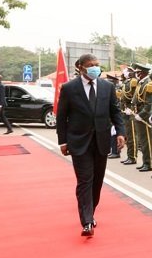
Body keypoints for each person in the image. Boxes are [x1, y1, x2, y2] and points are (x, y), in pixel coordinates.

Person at [56, 53, 126, 236]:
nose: (95, 67)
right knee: (85, 180)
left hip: (102, 141)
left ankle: (91, 212)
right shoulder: (69, 88)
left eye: (97, 64)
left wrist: (120, 132)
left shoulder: (107, 87)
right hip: (79, 142)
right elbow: (62, 117)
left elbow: (115, 112)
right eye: (91, 65)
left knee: (97, 182)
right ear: (80, 67)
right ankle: (86, 221)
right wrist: (62, 141)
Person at [132, 64, 152, 172]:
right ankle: (145, 162)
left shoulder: (148, 83)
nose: (137, 74)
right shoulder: (141, 83)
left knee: (146, 141)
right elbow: (136, 99)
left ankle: (148, 163)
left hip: (144, 116)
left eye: (138, 72)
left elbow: (149, 103)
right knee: (142, 140)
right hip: (139, 113)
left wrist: (141, 115)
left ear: (143, 73)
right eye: (136, 73)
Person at [119, 66, 138, 165]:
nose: (125, 73)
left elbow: (136, 96)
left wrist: (131, 108)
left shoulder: (134, 81)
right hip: (125, 110)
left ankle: (133, 157)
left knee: (132, 136)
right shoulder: (127, 82)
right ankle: (129, 156)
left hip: (130, 111)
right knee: (128, 135)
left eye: (127, 71)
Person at [106, 74, 122, 159]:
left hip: (115, 114)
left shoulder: (116, 89)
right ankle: (113, 151)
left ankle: (116, 152)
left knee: (115, 133)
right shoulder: (113, 89)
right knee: (112, 133)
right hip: (111, 113)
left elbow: (116, 103)